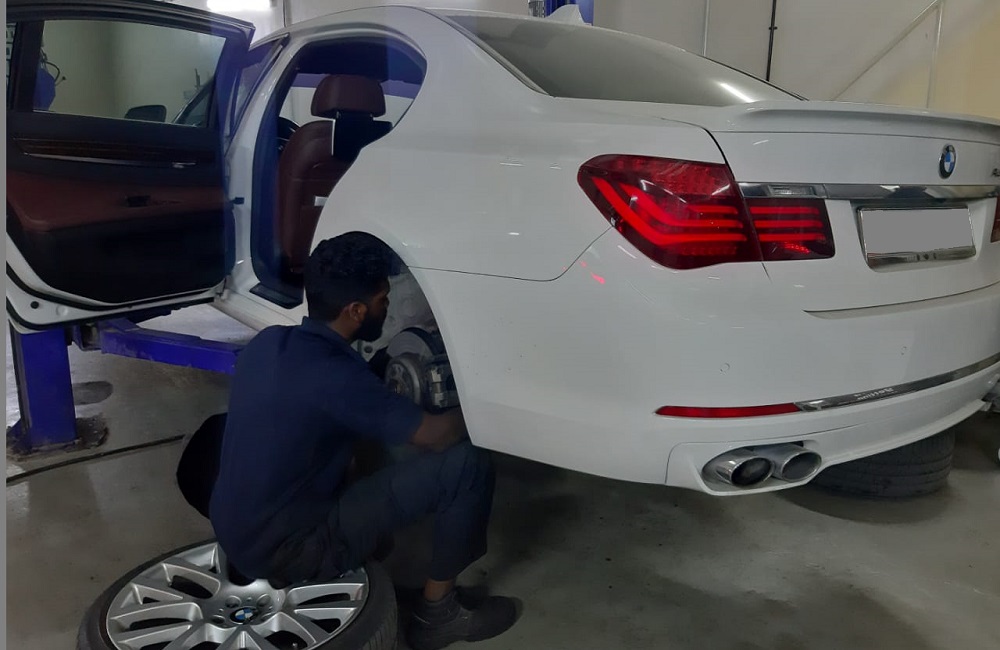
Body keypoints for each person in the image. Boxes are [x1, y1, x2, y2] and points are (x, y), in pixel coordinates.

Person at [209, 232, 518, 649]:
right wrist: (485, 406)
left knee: (370, 451)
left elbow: (345, 399)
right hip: (291, 549)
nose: (386, 307)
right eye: (382, 300)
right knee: (468, 465)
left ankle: (369, 550)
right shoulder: (338, 379)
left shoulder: (270, 343)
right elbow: (436, 436)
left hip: (236, 530)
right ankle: (437, 616)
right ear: (355, 311)